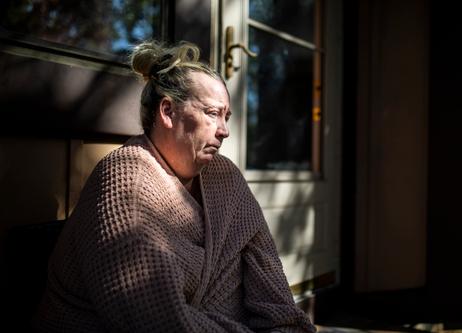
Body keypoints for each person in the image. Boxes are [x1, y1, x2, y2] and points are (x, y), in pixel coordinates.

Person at [34, 40, 316, 333]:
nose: (225, 131)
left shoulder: (226, 178)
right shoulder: (124, 184)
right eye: (211, 113)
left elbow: (273, 290)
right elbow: (159, 321)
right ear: (167, 111)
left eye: (226, 117)